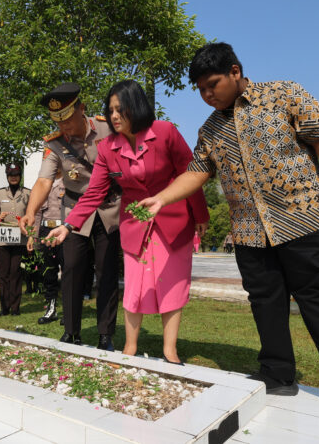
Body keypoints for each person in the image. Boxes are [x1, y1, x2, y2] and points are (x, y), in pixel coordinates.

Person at [138, 43, 319, 428]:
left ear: (235, 71)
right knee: (265, 304)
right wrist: (161, 199)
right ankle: (278, 375)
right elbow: (198, 171)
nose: (207, 94)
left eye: (212, 84)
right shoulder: (211, 128)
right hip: (249, 233)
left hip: (301, 222)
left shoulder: (284, 95)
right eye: (199, 89)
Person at [46, 80, 209, 364]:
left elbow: (190, 173)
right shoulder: (107, 147)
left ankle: (170, 351)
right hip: (136, 224)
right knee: (135, 287)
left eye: (121, 109)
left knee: (171, 284)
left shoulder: (166, 132)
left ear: (137, 106)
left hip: (174, 218)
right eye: (110, 111)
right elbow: (94, 192)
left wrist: (201, 215)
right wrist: (68, 225)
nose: (115, 116)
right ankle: (130, 348)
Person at [19, 82, 122, 351]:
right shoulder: (55, 144)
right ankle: (71, 332)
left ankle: (105, 334)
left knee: (107, 270)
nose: (64, 128)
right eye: (58, 122)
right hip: (74, 212)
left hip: (109, 208)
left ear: (81, 109)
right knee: (72, 268)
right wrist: (30, 211)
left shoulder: (107, 129)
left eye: (67, 120)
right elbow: (44, 181)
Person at [0, 163, 30, 316]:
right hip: (3, 239)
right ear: (7, 176)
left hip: (20, 238)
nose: (13, 177)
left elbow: (32, 215)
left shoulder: (27, 193)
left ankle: (15, 307)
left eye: (16, 174)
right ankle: (4, 307)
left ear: (20, 176)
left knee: (16, 273)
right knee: (4, 274)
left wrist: (30, 237)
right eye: (11, 175)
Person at [29, 175, 65, 324]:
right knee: (48, 271)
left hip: (63, 230)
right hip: (45, 230)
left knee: (68, 270)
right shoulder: (42, 182)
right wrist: (32, 236)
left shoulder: (69, 180)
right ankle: (51, 309)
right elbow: (36, 212)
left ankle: (69, 311)